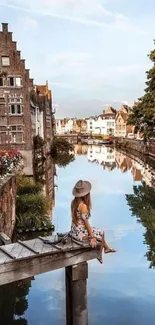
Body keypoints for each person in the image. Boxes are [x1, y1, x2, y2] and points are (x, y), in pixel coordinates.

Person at [71, 180, 116, 263]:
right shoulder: (83, 206)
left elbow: (77, 220)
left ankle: (106, 248)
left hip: (74, 231)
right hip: (80, 234)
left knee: (98, 231)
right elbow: (86, 224)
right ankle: (100, 254)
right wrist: (92, 237)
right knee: (101, 232)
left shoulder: (73, 202)